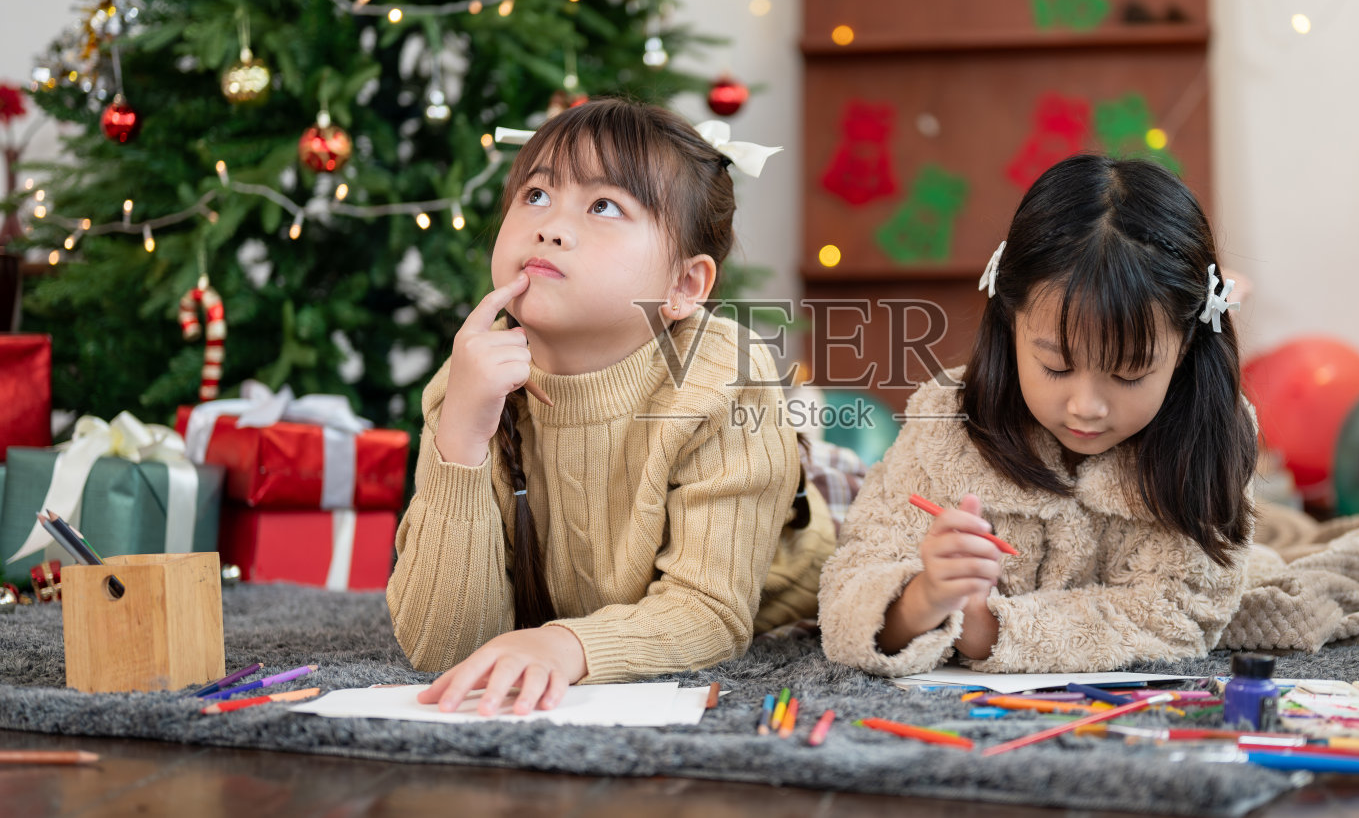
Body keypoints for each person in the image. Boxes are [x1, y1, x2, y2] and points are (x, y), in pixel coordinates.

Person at [388, 98, 834, 714]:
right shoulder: (470, 379)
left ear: (683, 286)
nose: (550, 227)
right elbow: (442, 647)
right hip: (600, 608)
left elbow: (710, 613)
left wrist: (566, 646)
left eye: (604, 206)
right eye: (536, 194)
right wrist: (460, 438)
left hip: (793, 563)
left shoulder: (722, 378)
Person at [819, 153, 1256, 675]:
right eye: (1055, 366)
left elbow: (1178, 615)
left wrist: (988, 629)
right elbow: (848, 594)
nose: (1086, 406)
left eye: (1129, 374)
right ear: (1011, 322)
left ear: (1182, 348)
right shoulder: (946, 423)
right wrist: (922, 599)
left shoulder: (1209, 436)